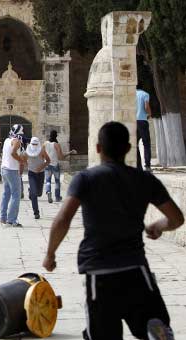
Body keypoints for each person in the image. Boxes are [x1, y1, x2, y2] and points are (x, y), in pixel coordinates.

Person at [43, 122, 181, 340]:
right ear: (128, 148)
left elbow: (63, 218)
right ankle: (153, 326)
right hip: (136, 269)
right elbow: (176, 218)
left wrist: (50, 254)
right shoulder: (145, 180)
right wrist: (158, 226)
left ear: (98, 148)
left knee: (103, 334)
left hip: (100, 273)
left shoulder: (86, 179)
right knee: (152, 321)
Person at [0, 124, 27, 227]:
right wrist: (21, 161)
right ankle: (11, 220)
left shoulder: (7, 140)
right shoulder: (17, 141)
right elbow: (13, 153)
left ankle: (3, 217)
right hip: (12, 170)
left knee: (6, 194)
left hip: (4, 169)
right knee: (16, 195)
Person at [44, 130, 76, 203]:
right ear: (56, 136)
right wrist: (70, 152)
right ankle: (57, 197)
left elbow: (42, 153)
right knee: (57, 181)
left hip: (47, 164)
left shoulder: (45, 143)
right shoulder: (56, 144)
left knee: (48, 181)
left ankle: (48, 191)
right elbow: (61, 157)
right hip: (55, 164)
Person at [25, 137, 50, 219]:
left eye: (36, 144)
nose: (34, 145)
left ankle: (30, 191)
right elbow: (23, 159)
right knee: (34, 193)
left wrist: (41, 166)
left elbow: (48, 160)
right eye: (33, 144)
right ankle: (36, 212)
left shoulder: (42, 151)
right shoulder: (27, 151)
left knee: (39, 193)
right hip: (31, 173)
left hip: (41, 173)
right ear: (30, 144)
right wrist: (26, 165)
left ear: (38, 144)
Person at [136, 84, 153, 172]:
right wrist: (149, 114)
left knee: (134, 145)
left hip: (133, 122)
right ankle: (147, 166)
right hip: (142, 121)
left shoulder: (131, 94)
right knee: (146, 144)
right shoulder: (145, 94)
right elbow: (146, 107)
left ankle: (138, 166)